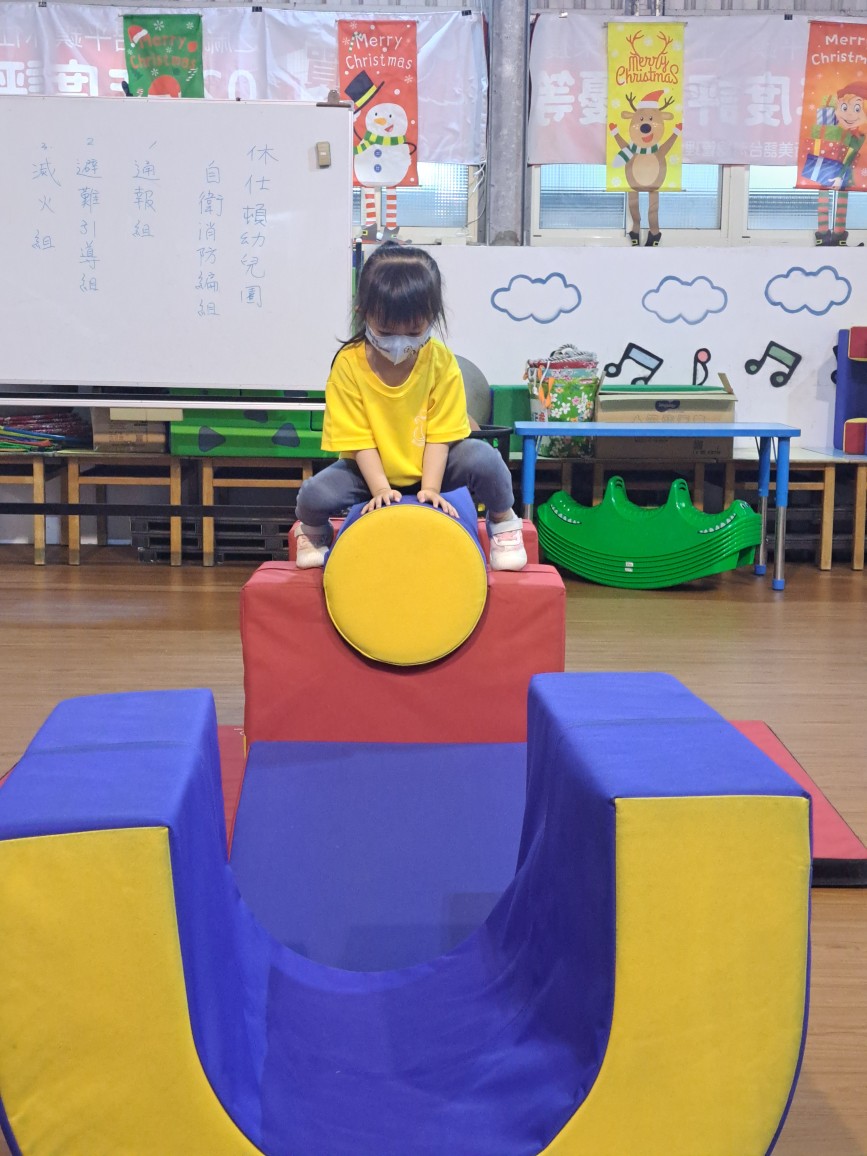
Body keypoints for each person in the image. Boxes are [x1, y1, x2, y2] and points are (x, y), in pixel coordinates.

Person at [294, 243, 527, 571]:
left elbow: (439, 436)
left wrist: (430, 488)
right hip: (368, 471)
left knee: (485, 459)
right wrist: (380, 488)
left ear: (433, 316)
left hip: (435, 466)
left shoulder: (440, 362)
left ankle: (503, 521)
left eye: (414, 331)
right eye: (386, 331)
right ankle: (313, 532)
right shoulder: (348, 365)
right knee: (313, 495)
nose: (399, 342)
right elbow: (359, 441)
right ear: (363, 312)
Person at [815, 82, 867, 246]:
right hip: (826, 161)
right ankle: (823, 236)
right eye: (845, 107)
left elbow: (852, 155)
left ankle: (838, 236)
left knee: (842, 193)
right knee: (824, 191)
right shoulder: (829, 120)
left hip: (844, 167)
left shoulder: (859, 135)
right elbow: (820, 128)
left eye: (857, 109)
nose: (851, 114)